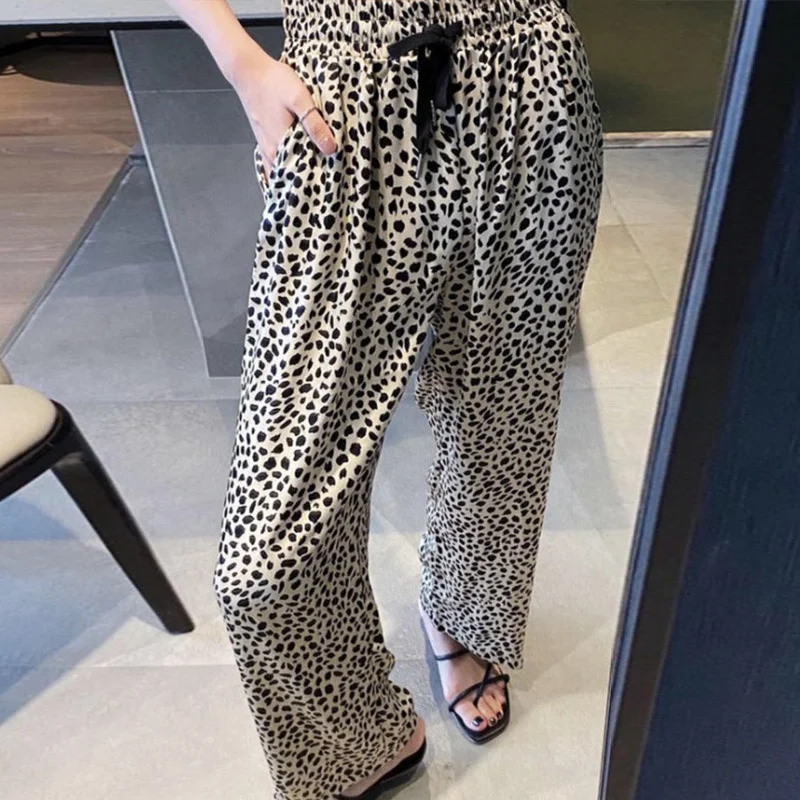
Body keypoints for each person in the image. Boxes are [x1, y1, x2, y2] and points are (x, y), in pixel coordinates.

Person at [167, 1, 603, 798]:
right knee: (267, 548)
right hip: (343, 97)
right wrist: (239, 61)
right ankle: (354, 736)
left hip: (531, 81)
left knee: (502, 415)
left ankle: (464, 615)